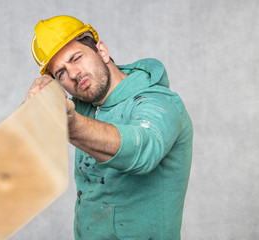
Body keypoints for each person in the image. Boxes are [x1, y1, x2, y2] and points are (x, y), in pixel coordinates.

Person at [27, 15, 193, 240]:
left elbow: (143, 148)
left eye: (76, 58)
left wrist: (70, 125)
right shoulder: (85, 106)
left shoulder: (159, 101)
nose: (74, 74)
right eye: (61, 73)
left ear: (102, 51)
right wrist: (41, 96)